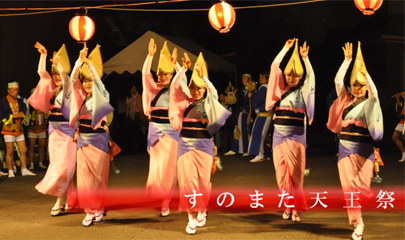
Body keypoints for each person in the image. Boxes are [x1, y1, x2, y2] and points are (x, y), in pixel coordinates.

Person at [169, 52, 231, 235]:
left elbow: (213, 92)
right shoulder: (184, 101)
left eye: (200, 88)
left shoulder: (209, 103)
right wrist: (183, 69)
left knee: (204, 183)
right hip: (185, 146)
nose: (196, 91)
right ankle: (191, 218)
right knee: (188, 183)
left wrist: (203, 77)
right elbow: (174, 86)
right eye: (193, 87)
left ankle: (203, 209)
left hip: (204, 147)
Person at [327, 42, 383, 240]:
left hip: (365, 149)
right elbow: (337, 81)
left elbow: (375, 94)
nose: (357, 88)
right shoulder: (345, 100)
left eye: (361, 86)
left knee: (363, 189)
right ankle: (358, 223)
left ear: (366, 87)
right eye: (354, 85)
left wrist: (366, 74)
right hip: (345, 149)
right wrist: (347, 61)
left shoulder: (370, 102)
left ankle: (359, 217)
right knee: (349, 189)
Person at [265, 38, 315, 222]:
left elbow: (311, 77)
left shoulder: (303, 91)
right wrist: (285, 48)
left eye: (296, 76)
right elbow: (274, 65)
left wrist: (305, 58)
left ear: (300, 77)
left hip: (296, 136)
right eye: (289, 75)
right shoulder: (278, 90)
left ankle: (297, 209)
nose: (292, 78)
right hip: (279, 135)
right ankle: (287, 204)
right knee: (281, 174)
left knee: (296, 175)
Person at [29, 42, 77, 216]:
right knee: (58, 165)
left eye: (58, 73)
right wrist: (44, 55)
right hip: (54, 130)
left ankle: (60, 200)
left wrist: (58, 65)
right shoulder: (52, 87)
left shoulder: (70, 87)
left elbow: (65, 77)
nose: (56, 77)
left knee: (66, 167)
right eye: (55, 74)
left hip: (69, 131)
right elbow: (42, 73)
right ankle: (67, 199)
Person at [68, 43, 114, 226]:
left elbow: (97, 80)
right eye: (84, 81)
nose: (87, 84)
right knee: (84, 178)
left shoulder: (102, 94)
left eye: (90, 80)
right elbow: (72, 79)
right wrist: (80, 60)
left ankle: (99, 207)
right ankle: (89, 210)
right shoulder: (80, 96)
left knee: (99, 179)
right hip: (82, 141)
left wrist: (89, 63)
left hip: (99, 141)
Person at [142, 39, 184, 217]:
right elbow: (145, 74)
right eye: (160, 73)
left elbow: (183, 79)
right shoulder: (153, 88)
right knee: (156, 167)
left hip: (172, 132)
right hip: (155, 131)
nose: (162, 76)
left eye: (166, 74)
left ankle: (166, 201)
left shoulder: (176, 88)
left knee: (168, 168)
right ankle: (158, 195)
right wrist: (150, 56)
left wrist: (176, 65)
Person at [0, 81, 36, 178]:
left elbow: (23, 111)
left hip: (19, 129)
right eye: (13, 90)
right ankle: (10, 170)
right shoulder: (3, 102)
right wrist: (14, 116)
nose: (15, 92)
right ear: (8, 91)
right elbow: (3, 114)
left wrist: (20, 115)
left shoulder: (20, 101)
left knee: (23, 149)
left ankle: (24, 169)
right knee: (10, 151)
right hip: (9, 129)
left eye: (16, 90)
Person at [248, 71, 275, 162]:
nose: (260, 79)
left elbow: (259, 99)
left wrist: (252, 95)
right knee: (266, 135)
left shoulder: (264, 87)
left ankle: (260, 154)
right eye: (260, 77)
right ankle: (266, 154)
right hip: (269, 114)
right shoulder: (271, 88)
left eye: (263, 77)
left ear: (267, 79)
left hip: (264, 114)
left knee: (259, 134)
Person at [224, 73, 252, 156]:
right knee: (237, 130)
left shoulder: (251, 89)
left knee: (244, 131)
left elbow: (247, 101)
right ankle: (235, 148)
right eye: (243, 78)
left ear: (249, 80)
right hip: (240, 112)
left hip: (246, 112)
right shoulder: (243, 89)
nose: (243, 80)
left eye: (245, 78)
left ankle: (245, 149)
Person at [28, 88, 48, 170]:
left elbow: (47, 114)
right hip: (32, 129)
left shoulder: (44, 103)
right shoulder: (29, 104)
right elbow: (27, 116)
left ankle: (40, 162)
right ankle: (31, 164)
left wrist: (43, 110)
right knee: (31, 146)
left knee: (41, 146)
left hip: (42, 128)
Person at [392, 92, 405, 162]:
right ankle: (404, 153)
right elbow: (400, 106)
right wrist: (398, 99)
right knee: (395, 137)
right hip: (403, 120)